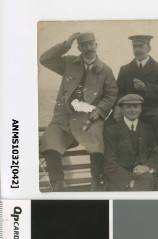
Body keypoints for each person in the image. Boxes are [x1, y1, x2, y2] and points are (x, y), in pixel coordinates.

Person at [39, 32, 118, 191]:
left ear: (96, 45)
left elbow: (112, 94)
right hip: (64, 118)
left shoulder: (105, 70)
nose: (88, 48)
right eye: (83, 45)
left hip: (89, 118)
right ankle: (58, 184)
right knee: (49, 142)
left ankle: (96, 182)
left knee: (98, 144)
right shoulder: (69, 63)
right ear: (79, 48)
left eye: (90, 44)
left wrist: (100, 110)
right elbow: (45, 59)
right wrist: (66, 44)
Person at [111, 35, 158, 141]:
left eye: (140, 46)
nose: (137, 50)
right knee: (110, 123)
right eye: (134, 47)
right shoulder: (125, 69)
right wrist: (118, 106)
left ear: (148, 48)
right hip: (130, 107)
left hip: (152, 108)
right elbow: (118, 92)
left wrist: (146, 87)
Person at [103, 94, 158, 191]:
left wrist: (147, 167)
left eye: (136, 106)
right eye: (128, 107)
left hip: (145, 175)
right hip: (121, 179)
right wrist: (129, 181)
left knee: (147, 180)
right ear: (122, 109)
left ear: (141, 109)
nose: (132, 110)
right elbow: (110, 162)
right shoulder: (111, 131)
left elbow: (155, 153)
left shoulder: (148, 129)